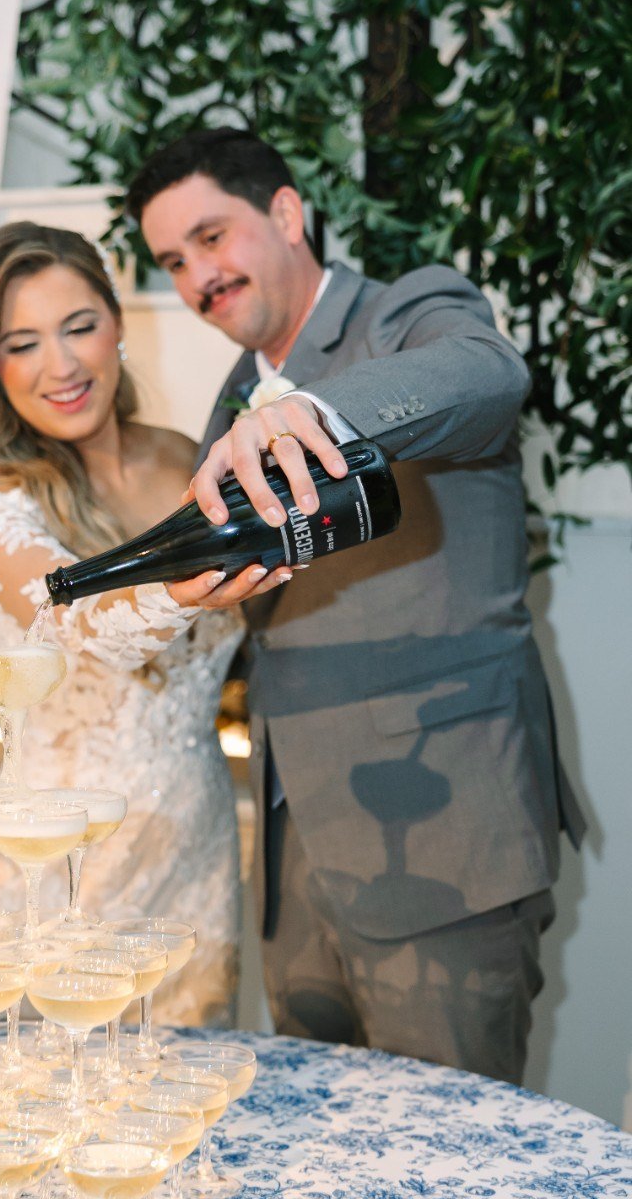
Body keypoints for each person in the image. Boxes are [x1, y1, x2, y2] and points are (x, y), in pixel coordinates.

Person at [126, 127, 584, 1082]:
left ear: (287, 214)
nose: (197, 277)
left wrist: (320, 413)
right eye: (174, 261)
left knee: (453, 1179)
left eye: (212, 238)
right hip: (295, 865)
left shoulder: (407, 312)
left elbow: (489, 374)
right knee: (332, 1183)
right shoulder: (230, 406)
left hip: (447, 841)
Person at [0, 221, 244, 1025]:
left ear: (117, 327)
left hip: (196, 852)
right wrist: (190, 589)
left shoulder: (189, 461)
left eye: (79, 328)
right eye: (23, 343)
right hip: (62, 870)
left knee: (179, 1111)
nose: (61, 365)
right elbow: (76, 624)